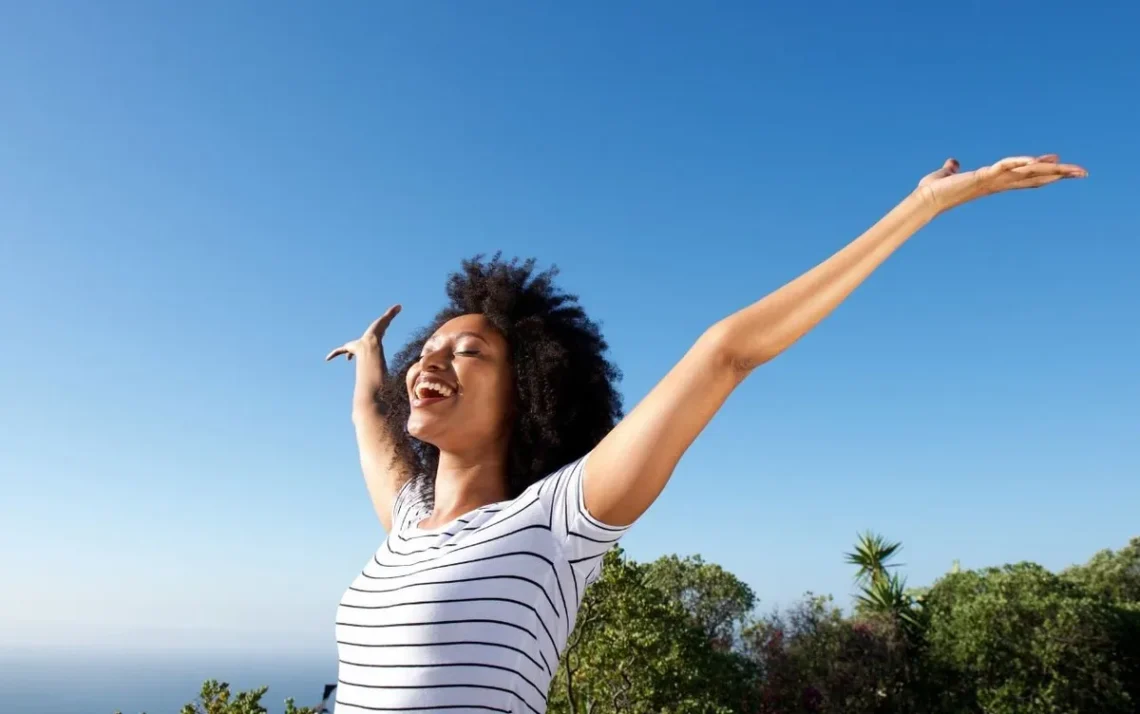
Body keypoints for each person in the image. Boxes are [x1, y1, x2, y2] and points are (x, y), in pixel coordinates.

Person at [325, 154, 1085, 713]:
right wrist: (371, 359)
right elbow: (369, 422)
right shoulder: (409, 518)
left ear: (528, 394)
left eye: (469, 352)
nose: (432, 362)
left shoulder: (554, 523)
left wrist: (920, 206)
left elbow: (726, 352)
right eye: (426, 353)